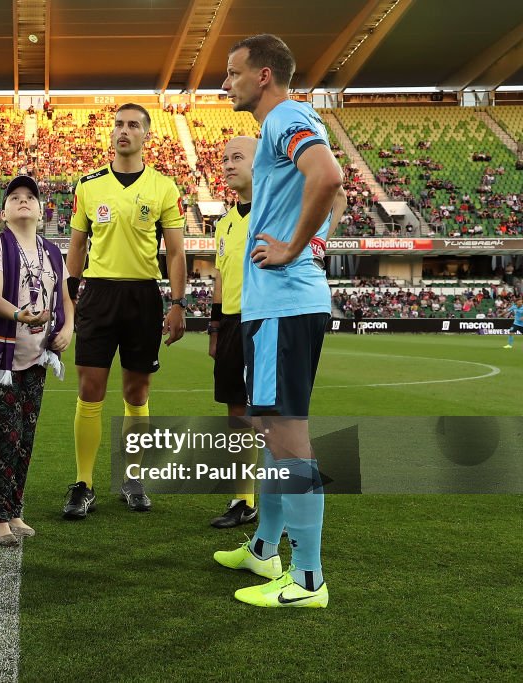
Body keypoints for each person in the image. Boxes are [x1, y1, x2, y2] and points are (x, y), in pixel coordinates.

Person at [213, 34, 343, 609]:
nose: (226, 82)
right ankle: (266, 548)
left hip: (284, 303)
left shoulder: (286, 114)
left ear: (263, 75)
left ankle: (309, 578)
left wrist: (293, 247)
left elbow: (330, 179)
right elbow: (333, 200)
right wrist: (311, 239)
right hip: (279, 305)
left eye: (233, 72)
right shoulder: (286, 122)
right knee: (270, 434)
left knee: (288, 439)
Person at [62, 103, 187, 519]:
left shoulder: (164, 187)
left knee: (137, 392)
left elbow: (175, 250)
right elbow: (77, 246)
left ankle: (134, 477)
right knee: (90, 389)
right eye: (118, 124)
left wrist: (178, 302)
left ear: (146, 135)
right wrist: (71, 295)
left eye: (133, 125)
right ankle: (84, 483)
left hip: (143, 297)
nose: (124, 130)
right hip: (98, 294)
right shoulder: (89, 185)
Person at [0, 176, 74, 545]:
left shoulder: (52, 252)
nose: (24, 201)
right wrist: (21, 316)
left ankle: (15, 510)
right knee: (8, 434)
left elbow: (64, 298)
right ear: (4, 212)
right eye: (15, 197)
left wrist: (68, 329)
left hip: (35, 357)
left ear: (42, 212)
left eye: (30, 197)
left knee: (26, 437)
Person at [208, 136, 259, 529]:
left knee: (268, 412)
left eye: (237, 158)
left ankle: (268, 494)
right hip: (230, 323)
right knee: (236, 410)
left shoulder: (274, 212)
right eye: (224, 159)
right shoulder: (223, 222)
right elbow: (221, 278)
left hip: (266, 321)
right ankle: (243, 498)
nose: (227, 165)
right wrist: (215, 328)